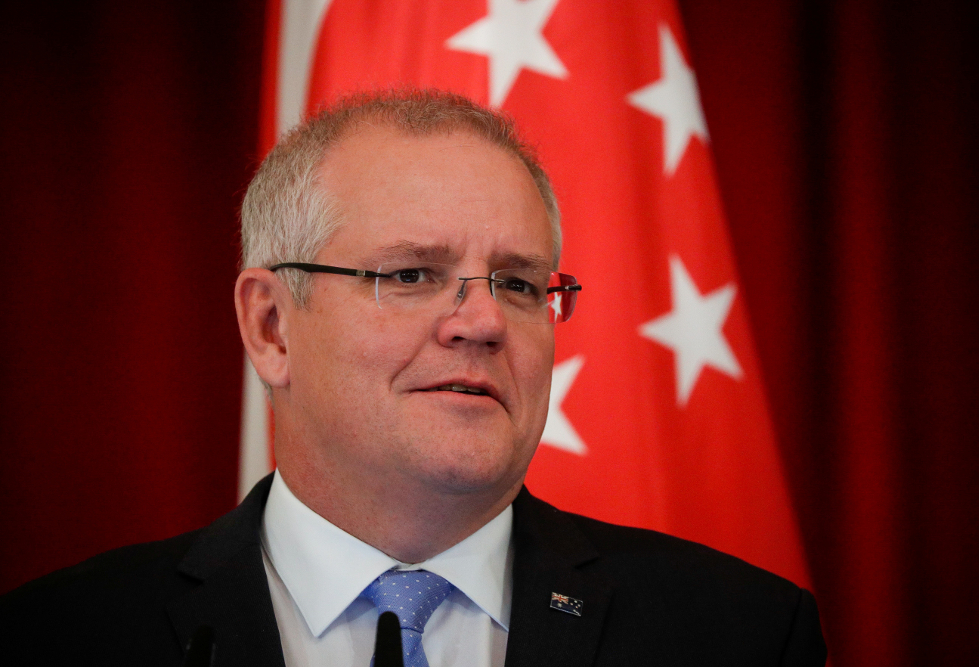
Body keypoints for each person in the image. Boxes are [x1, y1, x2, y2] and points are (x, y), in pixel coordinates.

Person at [0, 90, 826, 666]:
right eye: (410, 275)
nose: (484, 320)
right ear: (271, 325)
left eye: (518, 282)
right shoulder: (58, 638)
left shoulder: (738, 633)